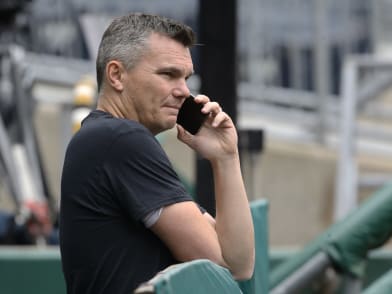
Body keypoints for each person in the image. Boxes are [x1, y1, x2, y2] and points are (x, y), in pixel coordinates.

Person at [59, 13, 255, 294]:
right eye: (168, 74)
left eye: (186, 78)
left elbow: (240, 265)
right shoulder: (121, 139)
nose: (184, 92)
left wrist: (226, 157)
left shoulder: (113, 140)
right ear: (116, 75)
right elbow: (222, 264)